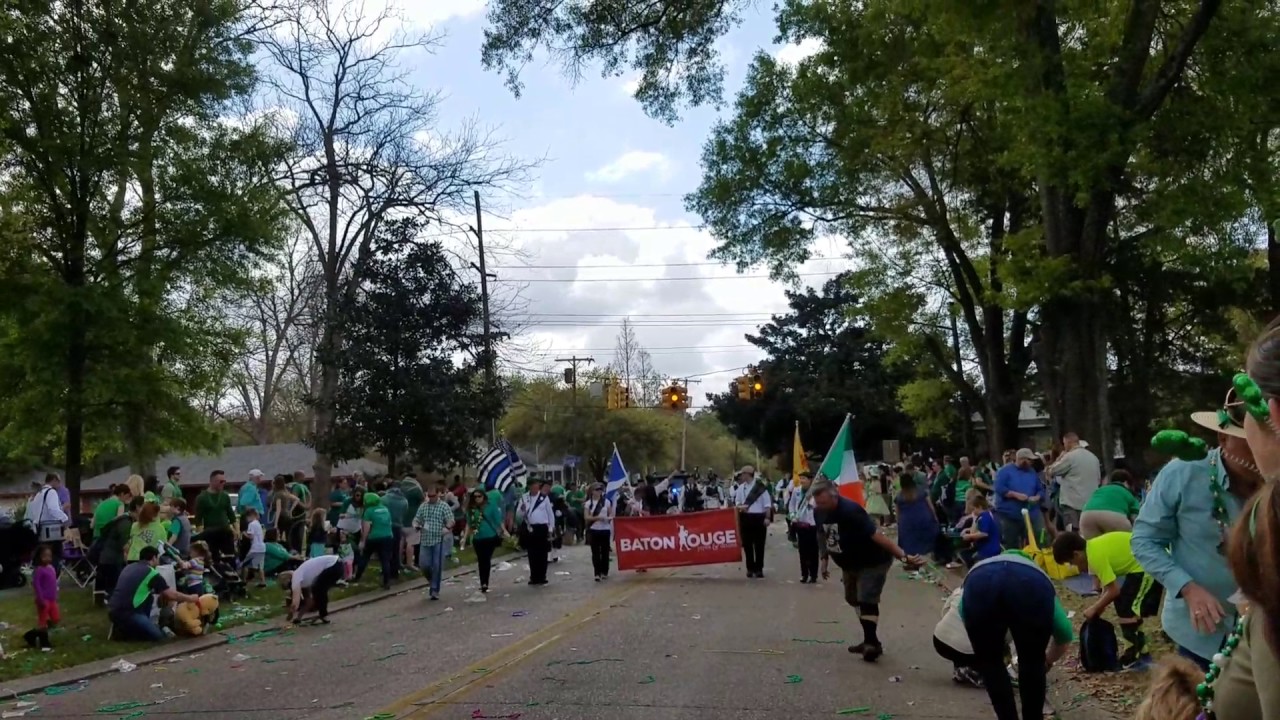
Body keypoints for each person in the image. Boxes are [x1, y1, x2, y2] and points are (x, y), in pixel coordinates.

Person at [1132, 394, 1263, 669]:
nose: (1259, 448)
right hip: (1201, 636)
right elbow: (1144, 541)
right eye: (1248, 440)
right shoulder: (1183, 473)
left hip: (1266, 634)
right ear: (1223, 439)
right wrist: (1188, 588)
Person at [812, 477, 924, 662]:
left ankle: (871, 644)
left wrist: (903, 556)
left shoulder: (850, 511)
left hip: (872, 560)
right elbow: (822, 533)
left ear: (835, 497)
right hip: (849, 564)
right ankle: (870, 639)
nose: (820, 506)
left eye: (823, 502)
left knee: (867, 599)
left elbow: (877, 535)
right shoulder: (819, 512)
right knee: (853, 598)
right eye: (817, 502)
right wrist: (824, 558)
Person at [961, 550, 1075, 720]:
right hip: (1029, 588)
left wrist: (993, 645)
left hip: (979, 585)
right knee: (1032, 662)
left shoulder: (982, 568)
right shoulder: (1037, 574)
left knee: (991, 665)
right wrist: (1047, 661)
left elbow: (964, 613)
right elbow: (1064, 632)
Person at [1053, 530, 1163, 667]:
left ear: (1076, 554)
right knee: (1126, 607)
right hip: (1139, 565)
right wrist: (1099, 608)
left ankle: (1134, 655)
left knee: (1127, 609)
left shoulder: (1095, 556)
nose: (1075, 567)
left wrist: (1095, 608)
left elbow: (1113, 590)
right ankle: (1141, 651)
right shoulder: (1092, 548)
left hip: (1147, 566)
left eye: (1072, 563)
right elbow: (1107, 587)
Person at [108, 546, 200, 641]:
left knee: (149, 597)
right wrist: (190, 598)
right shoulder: (151, 573)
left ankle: (123, 629)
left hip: (113, 610)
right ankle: (131, 631)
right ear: (154, 558)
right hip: (130, 612)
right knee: (158, 637)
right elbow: (171, 594)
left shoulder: (128, 567)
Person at [1046, 432, 1102, 532]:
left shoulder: (1070, 457)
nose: (1064, 446)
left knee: (1072, 532)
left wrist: (1059, 458)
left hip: (1072, 503)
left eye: (1064, 443)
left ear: (1069, 442)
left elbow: (1051, 471)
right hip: (1090, 503)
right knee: (1087, 532)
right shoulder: (1094, 458)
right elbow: (1098, 479)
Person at [993, 449, 1043, 549]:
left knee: (1035, 542)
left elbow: (1040, 489)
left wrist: (1037, 497)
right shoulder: (1004, 471)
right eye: (1029, 460)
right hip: (1009, 515)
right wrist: (1015, 495)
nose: (1031, 463)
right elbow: (999, 488)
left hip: (1030, 514)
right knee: (1011, 543)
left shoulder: (1032, 472)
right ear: (1022, 460)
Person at [933, 587, 982, 688]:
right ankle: (973, 671)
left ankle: (962, 667)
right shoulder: (1001, 598)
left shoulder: (962, 589)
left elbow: (945, 611)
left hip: (939, 639)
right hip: (966, 648)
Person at [413, 485, 454, 600]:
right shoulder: (423, 506)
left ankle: (434, 589)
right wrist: (416, 524)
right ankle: (432, 580)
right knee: (424, 564)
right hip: (425, 539)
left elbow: (451, 520)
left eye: (433, 496)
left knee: (437, 565)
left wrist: (446, 527)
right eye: (428, 496)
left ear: (438, 494)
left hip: (438, 540)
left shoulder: (443, 506)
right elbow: (417, 518)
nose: (430, 498)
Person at [1078, 469, 1143, 539]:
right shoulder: (1128, 493)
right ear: (1126, 483)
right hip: (1113, 516)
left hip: (1086, 516)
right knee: (1127, 542)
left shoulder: (1100, 490)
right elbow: (1135, 518)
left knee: (1094, 546)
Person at [734, 466, 773, 579]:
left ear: (749, 474)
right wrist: (741, 507)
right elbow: (737, 501)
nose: (742, 476)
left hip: (759, 518)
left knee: (759, 545)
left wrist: (767, 517)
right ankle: (750, 568)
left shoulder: (761, 488)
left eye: (743, 474)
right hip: (746, 517)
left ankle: (759, 569)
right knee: (747, 545)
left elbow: (767, 505)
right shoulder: (741, 488)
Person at [282, 554, 343, 625]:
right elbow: (309, 601)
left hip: (333, 565)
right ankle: (323, 614)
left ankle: (324, 615)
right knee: (318, 589)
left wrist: (289, 616)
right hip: (337, 564)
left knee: (319, 589)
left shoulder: (296, 577)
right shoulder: (303, 577)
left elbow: (295, 603)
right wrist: (298, 618)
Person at [466, 488, 505, 593]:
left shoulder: (490, 506)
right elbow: (469, 524)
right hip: (477, 538)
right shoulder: (471, 509)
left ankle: (485, 582)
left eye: (479, 496)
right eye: (475, 497)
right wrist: (465, 538)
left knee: (486, 559)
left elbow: (498, 520)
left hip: (490, 537)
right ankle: (482, 581)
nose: (477, 498)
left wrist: (504, 531)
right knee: (481, 560)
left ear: (484, 497)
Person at [518, 478, 555, 586]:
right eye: (533, 487)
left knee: (542, 553)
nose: (535, 489)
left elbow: (550, 514)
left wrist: (551, 528)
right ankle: (534, 576)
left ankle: (542, 576)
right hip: (530, 528)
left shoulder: (544, 498)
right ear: (529, 487)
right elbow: (519, 515)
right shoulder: (524, 498)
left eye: (536, 487)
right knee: (532, 553)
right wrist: (521, 509)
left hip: (542, 528)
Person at [355, 491, 395, 590]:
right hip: (387, 536)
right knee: (385, 560)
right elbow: (389, 523)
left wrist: (363, 541)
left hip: (374, 537)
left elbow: (366, 527)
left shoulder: (369, 511)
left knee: (365, 557)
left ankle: (357, 576)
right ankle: (387, 582)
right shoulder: (385, 509)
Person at [194, 470, 238, 557]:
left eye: (224, 481)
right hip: (210, 533)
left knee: (229, 556)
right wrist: (201, 536)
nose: (223, 483)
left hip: (225, 532)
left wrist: (236, 530)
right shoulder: (202, 498)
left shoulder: (225, 496)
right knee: (214, 558)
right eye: (221, 481)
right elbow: (198, 519)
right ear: (212, 481)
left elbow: (231, 515)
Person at [23, 545, 58, 649]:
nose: (47, 558)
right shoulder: (39, 570)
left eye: (49, 556)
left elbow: (53, 583)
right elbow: (37, 586)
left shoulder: (51, 568)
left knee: (55, 618)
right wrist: (40, 599)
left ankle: (31, 635)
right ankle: (44, 642)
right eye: (44, 556)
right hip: (43, 600)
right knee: (43, 620)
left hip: (52, 599)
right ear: (39, 557)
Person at [788, 471, 819, 583]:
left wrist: (810, 501)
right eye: (801, 478)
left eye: (804, 478)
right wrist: (792, 515)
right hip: (800, 524)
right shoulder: (796, 491)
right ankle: (804, 574)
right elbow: (791, 505)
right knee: (803, 551)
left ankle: (813, 574)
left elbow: (818, 505)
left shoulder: (815, 492)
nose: (802, 481)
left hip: (812, 525)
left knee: (813, 551)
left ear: (810, 480)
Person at [959, 491, 1001, 567]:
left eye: (974, 509)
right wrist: (968, 530)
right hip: (985, 548)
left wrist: (970, 536)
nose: (973, 512)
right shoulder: (982, 517)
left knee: (968, 556)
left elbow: (984, 533)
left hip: (989, 549)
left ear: (979, 507)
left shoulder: (985, 517)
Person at [583, 483, 614, 581]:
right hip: (594, 529)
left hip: (605, 529)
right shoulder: (588, 503)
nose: (599, 492)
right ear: (592, 491)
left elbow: (611, 515)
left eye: (600, 490)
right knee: (595, 552)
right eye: (597, 490)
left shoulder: (607, 502)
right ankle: (597, 573)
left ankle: (605, 571)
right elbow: (586, 517)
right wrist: (597, 517)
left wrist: (607, 518)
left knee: (605, 552)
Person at [243, 508, 267, 587]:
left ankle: (244, 580)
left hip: (255, 547)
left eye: (247, 517)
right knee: (261, 566)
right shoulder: (258, 523)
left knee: (245, 564)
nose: (247, 519)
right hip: (262, 547)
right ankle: (263, 581)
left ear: (251, 516)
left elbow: (251, 536)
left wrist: (244, 533)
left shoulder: (251, 524)